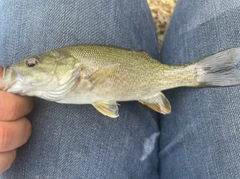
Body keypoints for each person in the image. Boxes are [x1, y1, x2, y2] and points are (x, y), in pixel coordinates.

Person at [0, 0, 240, 178]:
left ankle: (195, 73)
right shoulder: (62, 81)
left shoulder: (77, 73)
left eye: (32, 63)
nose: (24, 67)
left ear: (70, 66)